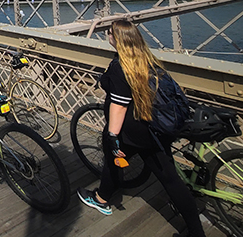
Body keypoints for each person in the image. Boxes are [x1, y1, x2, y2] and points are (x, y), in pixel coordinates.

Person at [77, 20, 205, 237]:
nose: (107, 36)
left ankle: (101, 199)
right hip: (155, 127)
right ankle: (196, 232)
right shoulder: (147, 59)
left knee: (112, 158)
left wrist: (112, 135)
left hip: (133, 131)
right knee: (171, 180)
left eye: (108, 33)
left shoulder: (119, 67)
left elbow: (119, 106)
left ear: (115, 38)